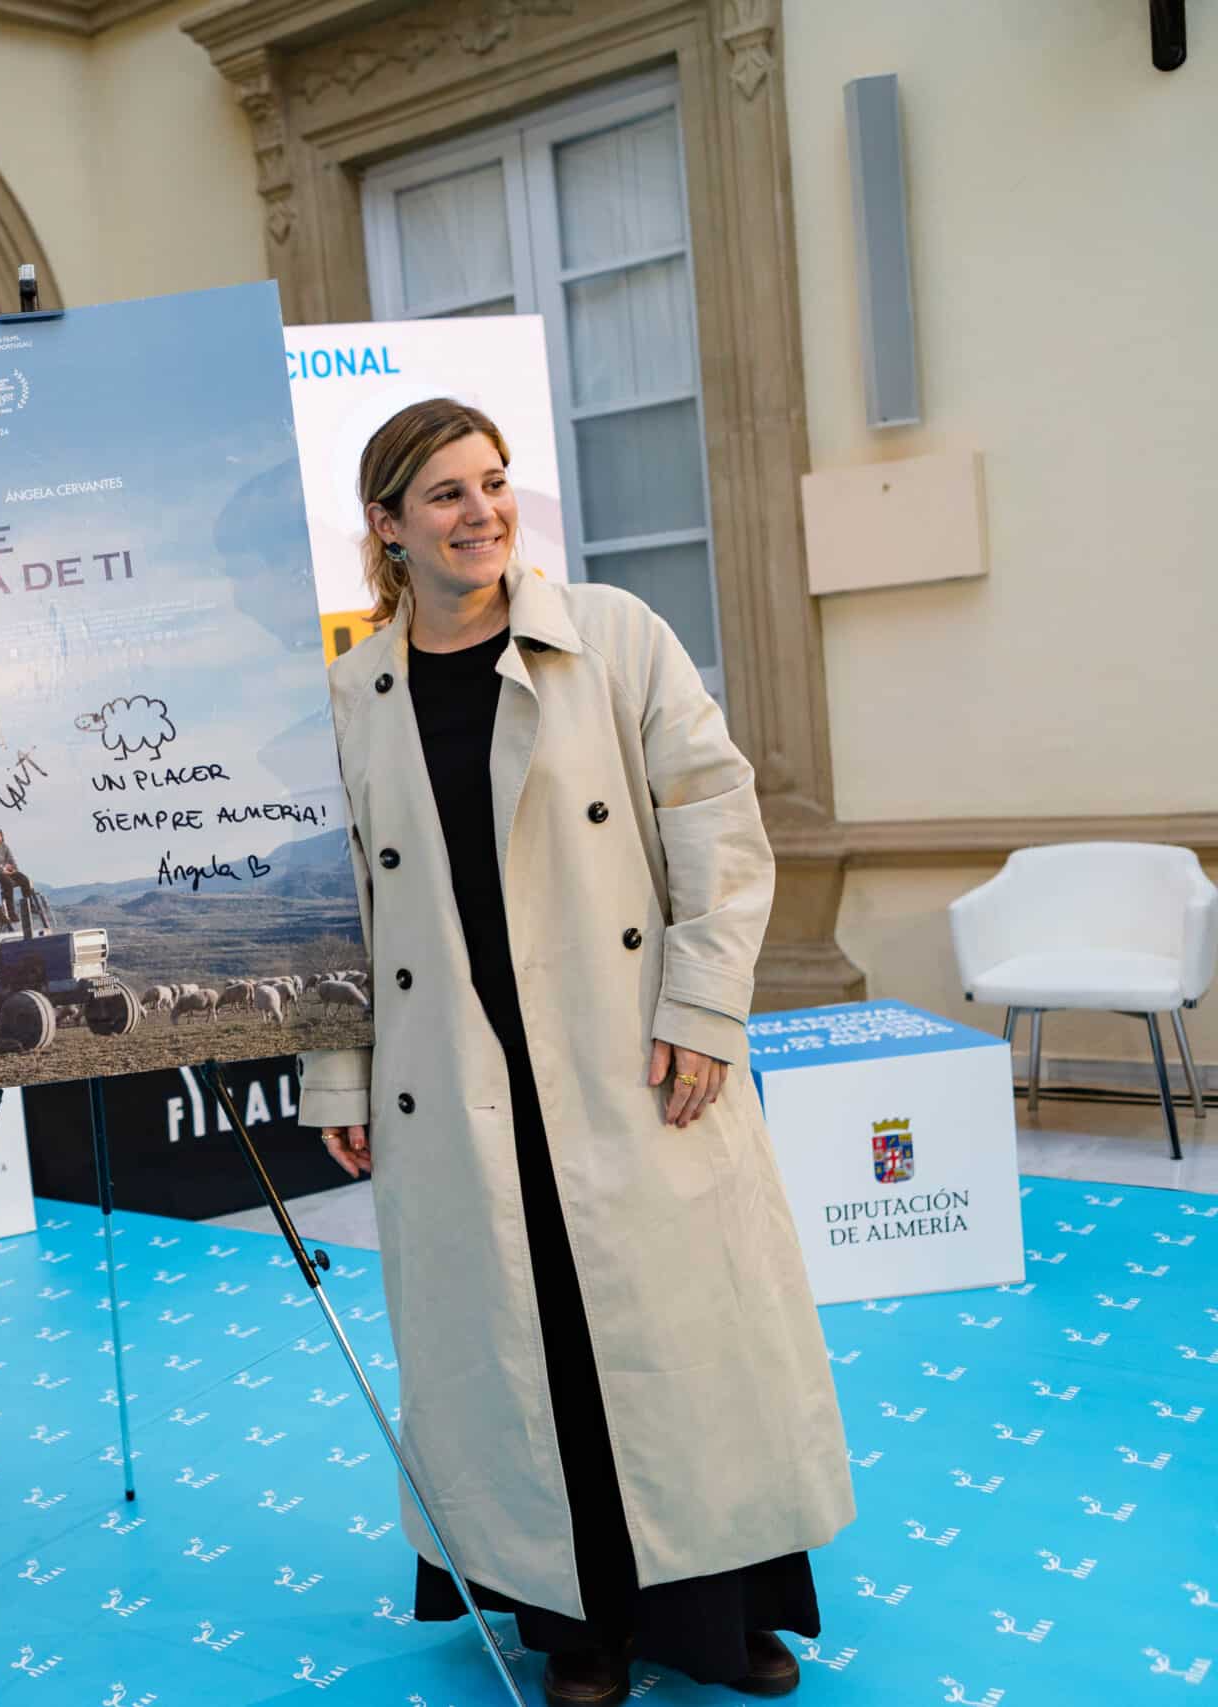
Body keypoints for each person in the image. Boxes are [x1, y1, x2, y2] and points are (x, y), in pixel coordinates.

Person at [296, 398, 854, 1706]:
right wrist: (340, 1072)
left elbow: (718, 815)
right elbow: (340, 916)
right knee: (515, 1342)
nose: (481, 511)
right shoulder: (354, 694)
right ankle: (575, 1622)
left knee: (678, 1336)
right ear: (385, 525)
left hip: (625, 1053)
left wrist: (705, 1004)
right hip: (459, 1071)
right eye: (443, 493)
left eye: (494, 483)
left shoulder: (609, 636)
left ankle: (725, 1608)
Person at [0, 827, 40, 922]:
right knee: (8, 884)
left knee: (24, 879)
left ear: (2, 838)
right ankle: (11, 913)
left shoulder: (5, 847)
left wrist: (13, 869)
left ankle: (30, 905)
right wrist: (2, 870)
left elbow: (11, 860)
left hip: (8, 871)